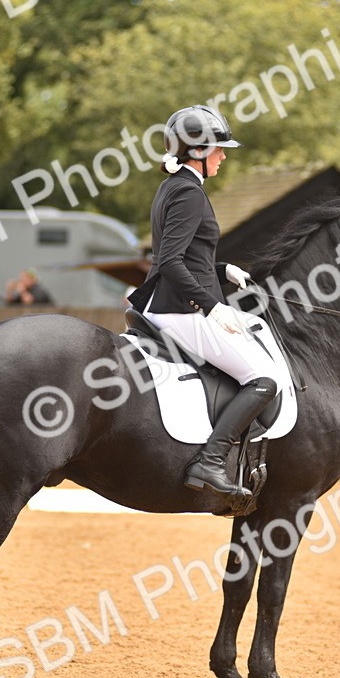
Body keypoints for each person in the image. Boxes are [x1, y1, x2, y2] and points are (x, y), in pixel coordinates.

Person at [127, 105, 281, 500]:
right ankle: (210, 463)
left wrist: (223, 269)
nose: (224, 156)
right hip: (179, 309)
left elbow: (185, 254)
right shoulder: (189, 194)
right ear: (197, 151)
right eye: (219, 150)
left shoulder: (174, 186)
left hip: (169, 301)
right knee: (264, 380)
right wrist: (211, 305)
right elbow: (170, 262)